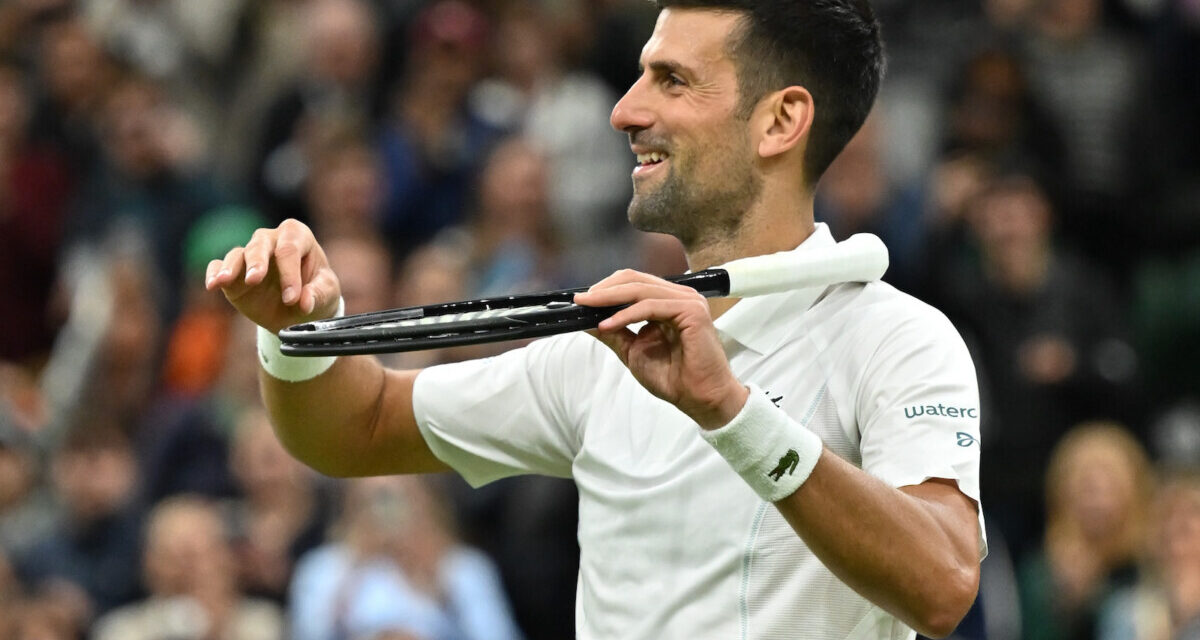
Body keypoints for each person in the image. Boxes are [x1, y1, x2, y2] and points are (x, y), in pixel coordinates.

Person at [206, 2, 985, 638]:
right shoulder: (612, 346)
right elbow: (356, 427)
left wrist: (732, 413)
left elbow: (944, 583)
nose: (624, 110)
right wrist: (297, 329)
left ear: (780, 121)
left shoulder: (896, 340)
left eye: (671, 81)